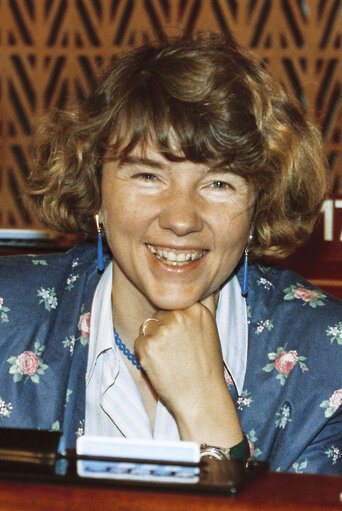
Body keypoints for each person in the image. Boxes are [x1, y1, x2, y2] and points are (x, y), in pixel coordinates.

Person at [0, 32, 341, 475]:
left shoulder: (328, 363)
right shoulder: (7, 316)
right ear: (96, 191)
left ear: (259, 203)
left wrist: (205, 410)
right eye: (147, 175)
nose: (182, 219)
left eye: (219, 183)